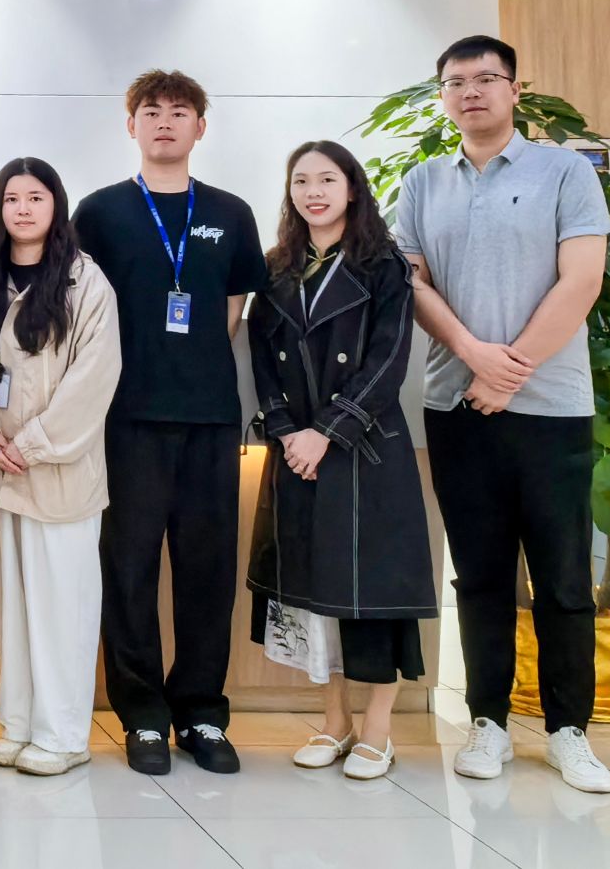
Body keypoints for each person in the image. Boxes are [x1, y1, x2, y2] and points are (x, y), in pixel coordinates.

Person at [394, 36, 610, 793]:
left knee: (562, 577)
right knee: (480, 574)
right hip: (457, 404)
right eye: (456, 82)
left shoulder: (564, 171)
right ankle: (487, 721)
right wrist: (471, 354)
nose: (471, 91)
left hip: (552, 407)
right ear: (443, 98)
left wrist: (510, 371)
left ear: (516, 90)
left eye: (487, 78)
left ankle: (569, 730)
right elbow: (411, 282)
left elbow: (581, 280)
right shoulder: (423, 181)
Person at [74, 69, 266, 776]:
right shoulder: (99, 213)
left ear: (199, 127)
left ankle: (202, 713)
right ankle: (144, 718)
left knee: (207, 571)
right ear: (131, 126)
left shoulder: (230, 213)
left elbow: (233, 309)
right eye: (151, 111)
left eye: (179, 112)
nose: (164, 122)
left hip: (210, 419)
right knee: (127, 571)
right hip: (124, 420)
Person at [246, 140, 436, 781]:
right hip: (296, 452)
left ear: (352, 188)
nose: (313, 192)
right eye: (301, 181)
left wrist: (326, 432)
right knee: (314, 595)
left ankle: (378, 729)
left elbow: (388, 361)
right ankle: (335, 722)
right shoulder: (276, 267)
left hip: (364, 449)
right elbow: (260, 358)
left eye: (326, 179)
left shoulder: (385, 265)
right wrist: (285, 432)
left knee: (371, 593)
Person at [0, 158, 121, 778]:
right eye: (13, 198)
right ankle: (19, 725)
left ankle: (63, 735)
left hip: (59, 471)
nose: (24, 209)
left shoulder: (86, 282)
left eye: (36, 197)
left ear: (56, 205)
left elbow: (95, 376)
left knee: (63, 605)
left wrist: (30, 444)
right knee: (12, 607)